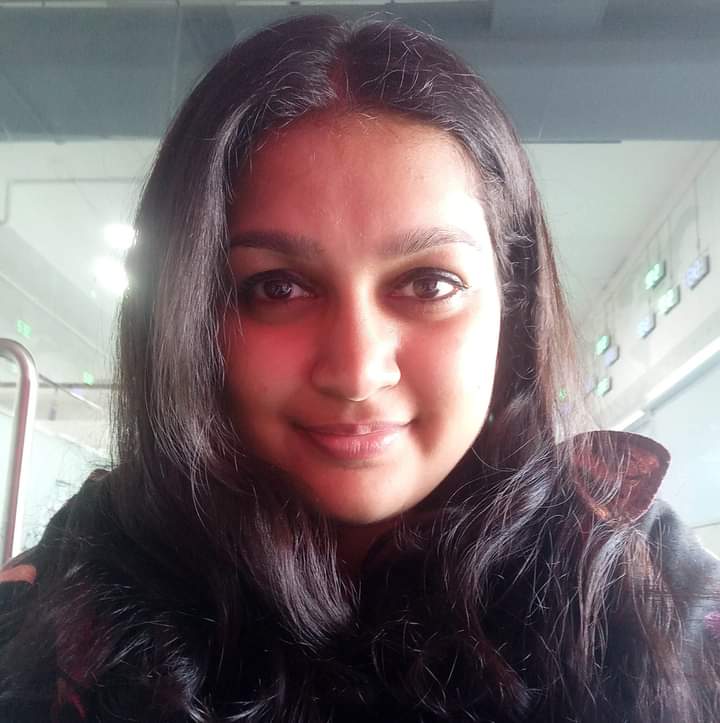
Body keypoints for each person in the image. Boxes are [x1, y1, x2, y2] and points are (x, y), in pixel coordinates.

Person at [0, 14, 718, 723]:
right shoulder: (53, 617)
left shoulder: (650, 595)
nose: (356, 372)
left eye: (429, 283)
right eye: (277, 287)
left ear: (513, 301)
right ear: (185, 315)